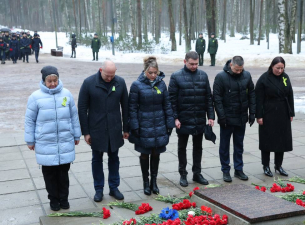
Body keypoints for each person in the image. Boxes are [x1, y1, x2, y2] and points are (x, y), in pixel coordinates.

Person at [24, 66, 81, 211]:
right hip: (45, 142)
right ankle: (53, 199)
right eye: (49, 81)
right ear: (43, 81)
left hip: (64, 141)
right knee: (49, 174)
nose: (53, 84)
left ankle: (64, 198)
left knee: (63, 173)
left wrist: (76, 134)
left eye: (55, 80)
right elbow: (30, 120)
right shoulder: (35, 97)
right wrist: (30, 140)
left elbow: (74, 116)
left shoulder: (66, 94)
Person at [78, 60, 129, 201]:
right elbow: (82, 109)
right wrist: (86, 132)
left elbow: (126, 107)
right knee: (97, 159)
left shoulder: (120, 82)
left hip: (114, 128)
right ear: (101, 70)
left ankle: (114, 187)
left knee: (114, 158)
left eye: (112, 75)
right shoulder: (89, 83)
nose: (109, 78)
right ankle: (98, 189)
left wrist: (126, 128)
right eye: (107, 75)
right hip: (96, 129)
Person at [128, 56, 175, 196]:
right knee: (145, 153)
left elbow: (167, 104)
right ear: (145, 72)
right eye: (151, 73)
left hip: (159, 123)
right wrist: (135, 125)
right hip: (144, 124)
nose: (153, 75)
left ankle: (154, 181)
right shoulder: (137, 85)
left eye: (156, 72)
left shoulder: (161, 84)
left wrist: (170, 122)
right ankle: (145, 181)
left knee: (156, 152)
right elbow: (132, 107)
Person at [169, 51, 215, 187]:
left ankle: (197, 173)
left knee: (198, 147)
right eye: (191, 64)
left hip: (199, 117)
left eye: (196, 64)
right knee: (182, 147)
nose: (195, 66)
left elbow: (208, 97)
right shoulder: (176, 76)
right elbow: (172, 100)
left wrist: (211, 116)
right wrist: (175, 118)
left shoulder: (203, 75)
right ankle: (183, 174)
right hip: (183, 118)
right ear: (185, 62)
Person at [213, 56, 256, 182]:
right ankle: (225, 170)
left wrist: (252, 112)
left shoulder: (246, 75)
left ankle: (238, 169)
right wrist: (221, 116)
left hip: (241, 116)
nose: (239, 72)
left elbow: (252, 94)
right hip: (226, 118)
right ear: (231, 65)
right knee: (224, 146)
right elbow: (217, 98)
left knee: (239, 145)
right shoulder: (221, 77)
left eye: (241, 70)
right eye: (237, 70)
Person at [255, 56, 295, 177]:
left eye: (282, 68)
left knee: (281, 141)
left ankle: (278, 165)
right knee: (267, 141)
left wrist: (291, 112)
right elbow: (258, 98)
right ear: (272, 66)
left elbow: (290, 95)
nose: (279, 70)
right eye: (277, 68)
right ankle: (266, 166)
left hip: (283, 112)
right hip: (268, 112)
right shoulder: (264, 79)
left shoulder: (285, 77)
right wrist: (259, 115)